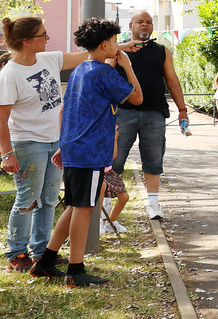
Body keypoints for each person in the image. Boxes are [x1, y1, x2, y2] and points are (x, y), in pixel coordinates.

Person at [32, 18, 143, 286]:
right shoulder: (104, 73)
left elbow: (67, 110)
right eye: (115, 41)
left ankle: (45, 262)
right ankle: (76, 270)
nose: (118, 46)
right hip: (91, 150)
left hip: (75, 147)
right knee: (84, 208)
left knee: (75, 205)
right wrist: (127, 66)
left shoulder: (81, 69)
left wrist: (64, 145)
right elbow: (137, 97)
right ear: (105, 44)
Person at [0, 16, 93, 273]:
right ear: (26, 41)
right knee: (28, 199)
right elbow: (1, 119)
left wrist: (121, 46)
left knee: (49, 199)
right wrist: (6, 154)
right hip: (28, 144)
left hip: (55, 141)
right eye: (43, 35)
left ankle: (41, 252)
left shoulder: (48, 58)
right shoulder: (10, 74)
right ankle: (16, 254)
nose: (48, 38)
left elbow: (86, 55)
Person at [115, 11, 188, 220]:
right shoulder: (118, 51)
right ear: (130, 25)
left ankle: (153, 204)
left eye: (148, 22)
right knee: (114, 160)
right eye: (140, 22)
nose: (144, 25)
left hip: (154, 113)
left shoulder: (162, 51)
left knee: (154, 159)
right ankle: (107, 206)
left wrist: (183, 110)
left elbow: (172, 81)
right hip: (123, 113)